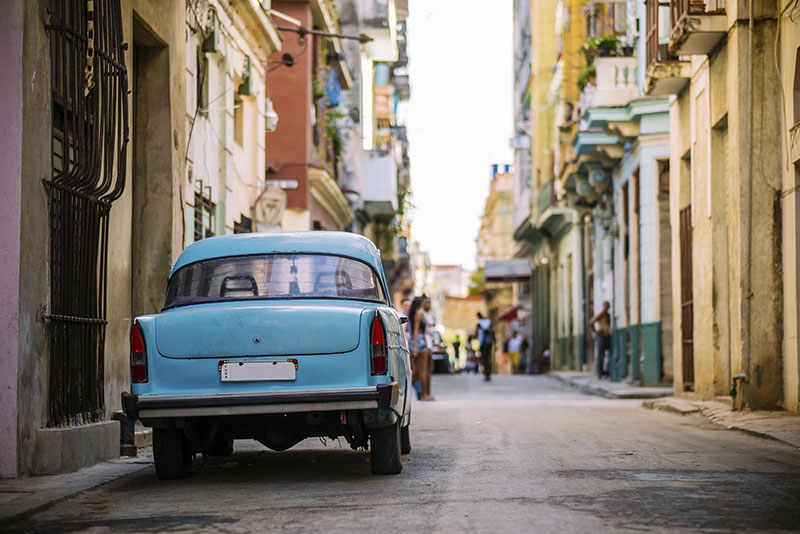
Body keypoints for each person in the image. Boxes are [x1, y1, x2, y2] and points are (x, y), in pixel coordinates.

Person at [409, 296, 435, 400]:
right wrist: (415, 346)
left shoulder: (416, 314)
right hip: (419, 342)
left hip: (418, 341)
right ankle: (424, 394)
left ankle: (425, 394)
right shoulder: (418, 314)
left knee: (417, 371)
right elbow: (415, 331)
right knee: (422, 370)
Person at [589, 301, 612, 379]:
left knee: (609, 353)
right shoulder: (601, 314)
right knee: (600, 355)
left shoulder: (608, 315)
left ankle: (607, 371)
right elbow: (591, 322)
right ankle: (600, 373)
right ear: (603, 306)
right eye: (605, 306)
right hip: (601, 336)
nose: (606, 308)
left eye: (607, 306)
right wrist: (595, 331)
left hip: (607, 336)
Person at [476, 312, 494, 381]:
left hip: (483, 343)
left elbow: (477, 334)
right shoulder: (489, 323)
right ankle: (488, 373)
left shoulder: (479, 324)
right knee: (488, 358)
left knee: (484, 359)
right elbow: (492, 332)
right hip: (489, 343)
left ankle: (486, 373)